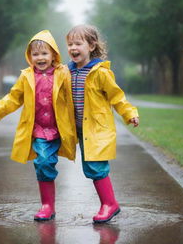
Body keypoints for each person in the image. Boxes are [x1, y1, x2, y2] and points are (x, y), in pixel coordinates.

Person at [0, 30, 77, 221]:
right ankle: (47, 206)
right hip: (39, 130)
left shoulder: (63, 73)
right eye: (35, 54)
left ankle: (50, 201)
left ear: (53, 54)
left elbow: (75, 93)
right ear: (30, 57)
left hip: (59, 129)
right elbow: (14, 97)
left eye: (44, 53)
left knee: (50, 163)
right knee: (43, 162)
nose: (40, 58)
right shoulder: (27, 76)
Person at [66, 24, 139, 223]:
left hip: (97, 128)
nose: (73, 47)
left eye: (78, 43)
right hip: (79, 129)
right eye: (70, 43)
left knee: (96, 167)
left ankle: (110, 204)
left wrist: (129, 113)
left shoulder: (100, 73)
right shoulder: (66, 72)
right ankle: (109, 204)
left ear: (91, 46)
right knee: (90, 168)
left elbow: (117, 97)